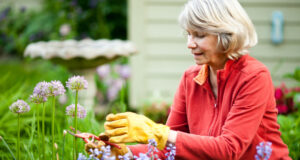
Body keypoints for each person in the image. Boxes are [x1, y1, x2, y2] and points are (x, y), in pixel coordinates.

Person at [89, 0, 292, 159]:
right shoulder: (191, 78)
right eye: (188, 34)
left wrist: (156, 133)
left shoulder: (254, 77)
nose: (189, 43)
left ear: (226, 35)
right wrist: (123, 153)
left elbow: (229, 150)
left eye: (199, 35)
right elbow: (169, 149)